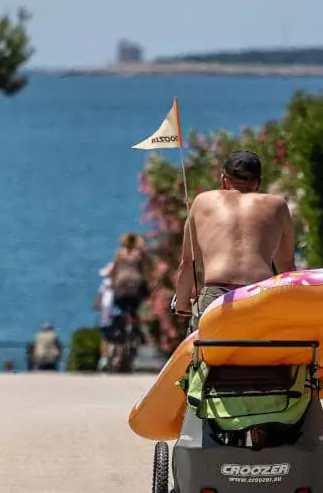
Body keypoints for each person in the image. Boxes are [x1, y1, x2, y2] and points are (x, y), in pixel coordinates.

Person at [172, 150, 295, 332]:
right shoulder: (277, 205)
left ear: (223, 179)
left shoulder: (202, 201)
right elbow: (286, 265)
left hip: (216, 298)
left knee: (198, 354)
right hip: (260, 294)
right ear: (258, 183)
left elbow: (188, 263)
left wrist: (182, 304)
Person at [104, 234, 151, 355]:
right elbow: (146, 270)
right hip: (135, 286)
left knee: (120, 309)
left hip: (120, 287)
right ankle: (137, 331)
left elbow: (113, 272)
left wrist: (113, 285)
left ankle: (119, 330)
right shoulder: (139, 255)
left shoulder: (119, 254)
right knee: (135, 309)